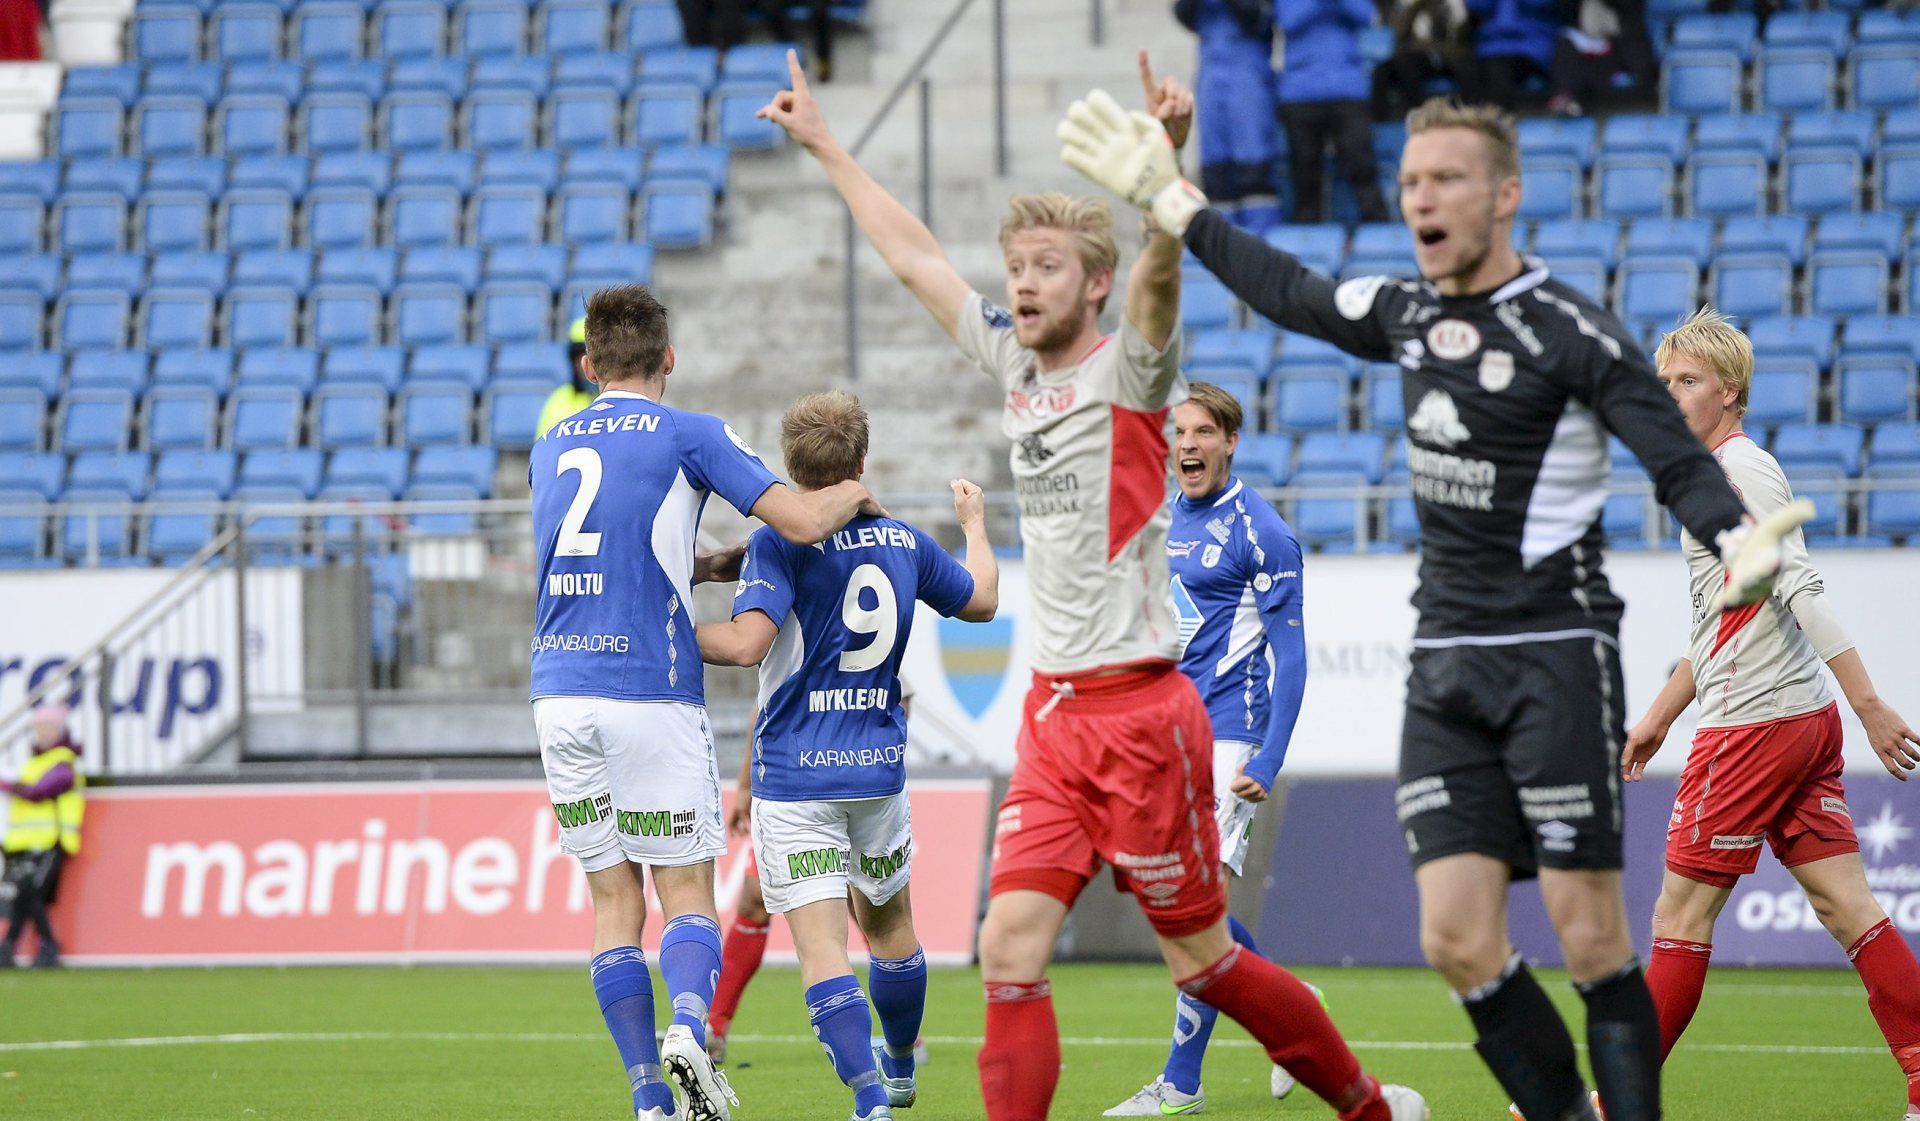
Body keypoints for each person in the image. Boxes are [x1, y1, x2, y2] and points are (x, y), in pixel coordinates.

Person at [1059, 94, 1805, 1121]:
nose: (1421, 197)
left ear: (1504, 196)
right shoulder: (1408, 313)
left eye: (1446, 178)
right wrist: (1172, 201)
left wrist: (1735, 534)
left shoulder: (1572, 329)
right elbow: (1290, 290)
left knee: (1591, 934)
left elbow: (1674, 455)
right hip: (1447, 661)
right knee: (1454, 937)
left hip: (1555, 653)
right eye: (1410, 180)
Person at [764, 49, 1427, 1121]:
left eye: (1047, 265)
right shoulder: (1014, 364)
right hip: (1056, 717)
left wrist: (1165, 178)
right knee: (1007, 948)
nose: (1022, 281)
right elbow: (917, 259)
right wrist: (830, 145)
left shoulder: (1130, 372)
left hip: (1143, 717)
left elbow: (1162, 279)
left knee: (1204, 960)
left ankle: (1363, 1104)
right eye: (1015, 265)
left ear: (1096, 284)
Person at [529, 284, 885, 1121]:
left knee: (613, 901)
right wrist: (855, 497)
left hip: (558, 693)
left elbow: (610, 551)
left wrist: (712, 562)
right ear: (669, 358)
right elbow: (802, 521)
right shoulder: (689, 432)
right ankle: (689, 1024)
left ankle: (649, 1097)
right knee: (686, 889)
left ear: (590, 365)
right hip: (646, 687)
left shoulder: (551, 443)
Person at [1624, 307, 1920, 1121]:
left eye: (1688, 380)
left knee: (1680, 916)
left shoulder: (1738, 470)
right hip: (1796, 718)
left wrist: (1869, 702)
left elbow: (1799, 585)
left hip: (1752, 726)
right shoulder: (1710, 473)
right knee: (1847, 906)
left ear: (1731, 391)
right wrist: (1659, 714)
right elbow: (1725, 617)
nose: (1670, 394)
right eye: (1664, 381)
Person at [697, 390, 1000, 1121]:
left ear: (790, 466)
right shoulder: (905, 543)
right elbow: (983, 601)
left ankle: (869, 1100)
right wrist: (975, 526)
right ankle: (899, 1062)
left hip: (796, 777)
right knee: (891, 929)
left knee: (823, 948)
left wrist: (665, 630)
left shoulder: (778, 542)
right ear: (861, 461)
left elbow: (749, 645)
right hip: (876, 773)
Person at [1105, 379, 1313, 1115]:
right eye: (1179, 433)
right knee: (1181, 909)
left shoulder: (1263, 532)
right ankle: (1291, 1003)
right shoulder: (1164, 518)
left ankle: (1181, 1081)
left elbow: (1293, 656)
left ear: (1230, 442)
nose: (1187, 444)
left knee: (1198, 910)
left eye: (1202, 432)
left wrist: (1268, 757)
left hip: (1232, 735)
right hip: (1172, 737)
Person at [706, 679, 925, 1066]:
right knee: (756, 899)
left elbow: (899, 700)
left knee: (866, 908)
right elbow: (765, 704)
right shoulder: (787, 642)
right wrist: (745, 785)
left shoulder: (864, 641)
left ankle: (902, 1037)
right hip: (794, 789)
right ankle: (715, 1025)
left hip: (845, 786)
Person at [1275, 0, 1390, 223]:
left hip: (1348, 90)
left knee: (1362, 167)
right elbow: (1288, 21)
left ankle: (1378, 229)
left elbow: (1366, 15)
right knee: (1304, 174)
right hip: (1300, 92)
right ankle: (1306, 236)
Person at [1174, 1, 1282, 231]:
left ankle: (1260, 237)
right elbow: (1182, 13)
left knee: (1254, 165)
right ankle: (1221, 241)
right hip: (1210, 69)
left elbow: (1257, 18)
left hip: (1247, 69)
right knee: (1215, 168)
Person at [1, 704, 83, 969]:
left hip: (50, 840)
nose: (40, 733)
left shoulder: (63, 762)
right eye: (38, 728)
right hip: (24, 842)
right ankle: (11, 947)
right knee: (25, 895)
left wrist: (6, 784)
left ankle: (44, 945)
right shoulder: (34, 762)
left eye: (46, 727)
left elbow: (38, 791)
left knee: (31, 893)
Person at [1371, 0, 1475, 123]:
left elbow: (1456, 35)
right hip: (1410, 56)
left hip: (1440, 55)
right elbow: (1398, 34)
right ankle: (1378, 121)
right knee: (1382, 70)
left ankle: (1417, 114)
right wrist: (1415, 6)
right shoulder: (1410, 7)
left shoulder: (1446, 5)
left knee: (1407, 64)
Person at [1464, 0, 1560, 108]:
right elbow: (1477, 5)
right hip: (1490, 46)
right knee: (1468, 69)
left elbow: (1542, 3)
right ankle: (1471, 115)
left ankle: (1497, 114)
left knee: (1497, 70)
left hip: (1531, 46)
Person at [536, 316, 598, 439]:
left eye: (594, 357)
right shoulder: (559, 400)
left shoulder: (621, 397)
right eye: (581, 357)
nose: (586, 364)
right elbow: (544, 446)